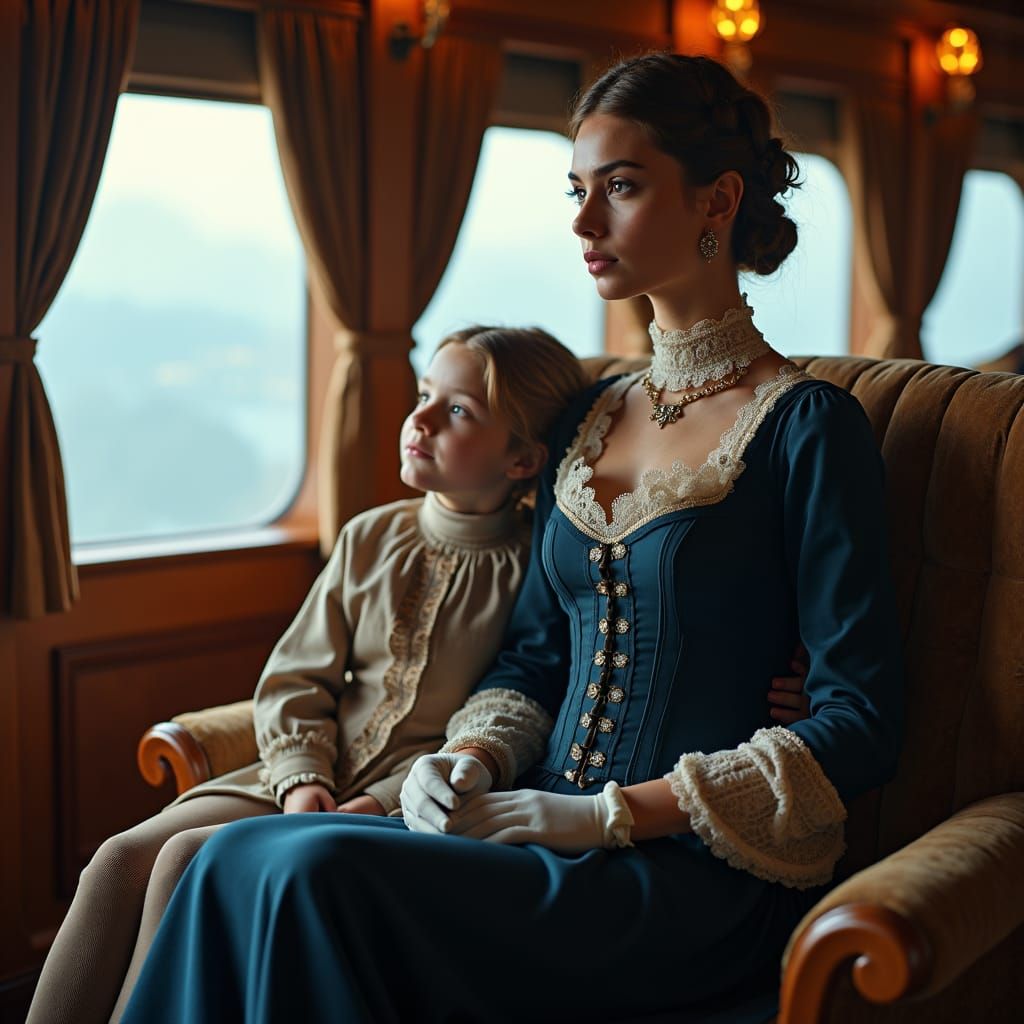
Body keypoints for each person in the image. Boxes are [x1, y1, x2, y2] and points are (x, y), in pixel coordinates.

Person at [119, 52, 900, 1024]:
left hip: (688, 877)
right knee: (233, 854)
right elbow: (535, 655)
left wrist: (602, 815)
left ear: (718, 200)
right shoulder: (588, 414)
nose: (582, 222)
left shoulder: (806, 426)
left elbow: (859, 720)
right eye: (577, 190)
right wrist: (473, 763)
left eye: (619, 187)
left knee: (310, 872)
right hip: (525, 817)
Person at [26, 326, 587, 1024]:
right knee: (117, 861)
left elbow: (504, 714)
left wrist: (379, 801)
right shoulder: (370, 537)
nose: (421, 420)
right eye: (424, 396)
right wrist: (301, 777)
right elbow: (296, 677)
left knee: (184, 865)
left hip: (398, 803)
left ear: (524, 457)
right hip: (295, 774)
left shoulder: (536, 571)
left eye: (460, 411)